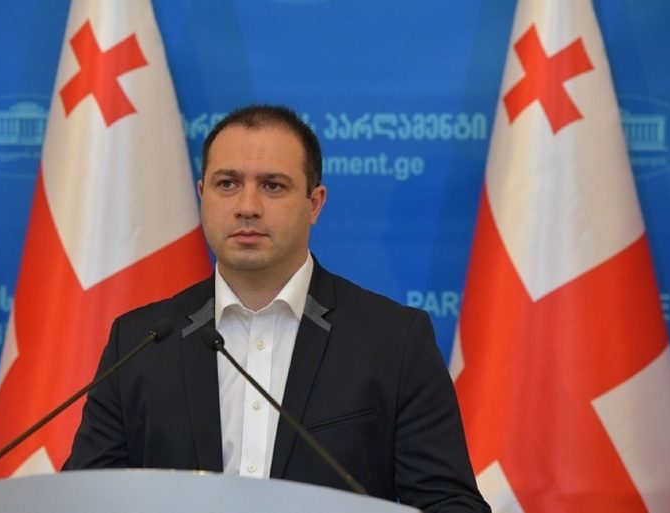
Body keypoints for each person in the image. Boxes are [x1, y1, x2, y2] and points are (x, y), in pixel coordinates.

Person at [64, 104, 490, 512]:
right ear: (202, 195)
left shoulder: (393, 341)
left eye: (272, 186)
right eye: (227, 184)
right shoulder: (140, 342)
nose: (247, 207)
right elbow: (81, 499)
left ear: (314, 204)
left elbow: (451, 503)